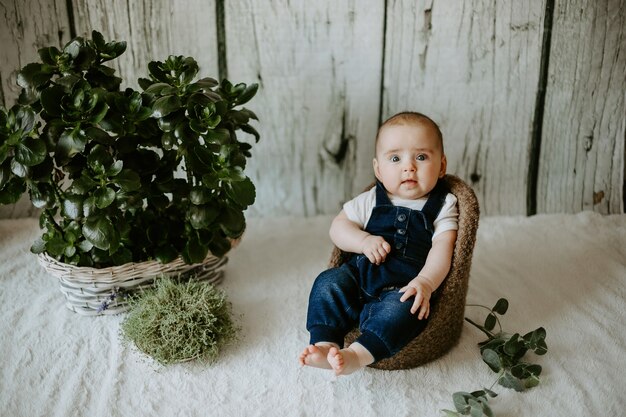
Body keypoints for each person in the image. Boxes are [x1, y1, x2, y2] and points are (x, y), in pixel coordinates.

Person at [298, 111, 458, 376]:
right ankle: (326, 343)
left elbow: (444, 248)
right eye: (395, 158)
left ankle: (357, 355)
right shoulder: (371, 198)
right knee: (327, 282)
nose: (409, 167)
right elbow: (338, 227)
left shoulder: (444, 204)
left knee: (407, 310)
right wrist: (363, 241)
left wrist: (426, 283)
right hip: (359, 276)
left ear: (441, 166)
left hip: (403, 287)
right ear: (378, 170)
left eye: (421, 157)